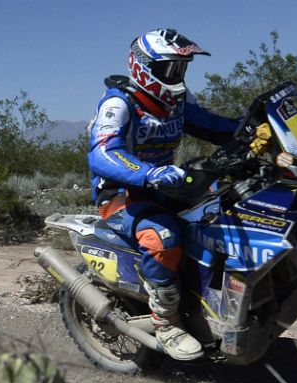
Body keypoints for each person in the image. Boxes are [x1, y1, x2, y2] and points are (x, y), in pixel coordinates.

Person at [87, 29, 240, 361]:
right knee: (163, 237)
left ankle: (211, 298)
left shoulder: (176, 101)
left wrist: (253, 126)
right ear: (144, 67)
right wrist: (148, 173)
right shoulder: (119, 103)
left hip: (165, 185)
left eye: (182, 68)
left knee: (227, 205)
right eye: (171, 68)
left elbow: (213, 125)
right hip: (122, 194)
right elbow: (101, 153)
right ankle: (167, 323)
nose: (178, 77)